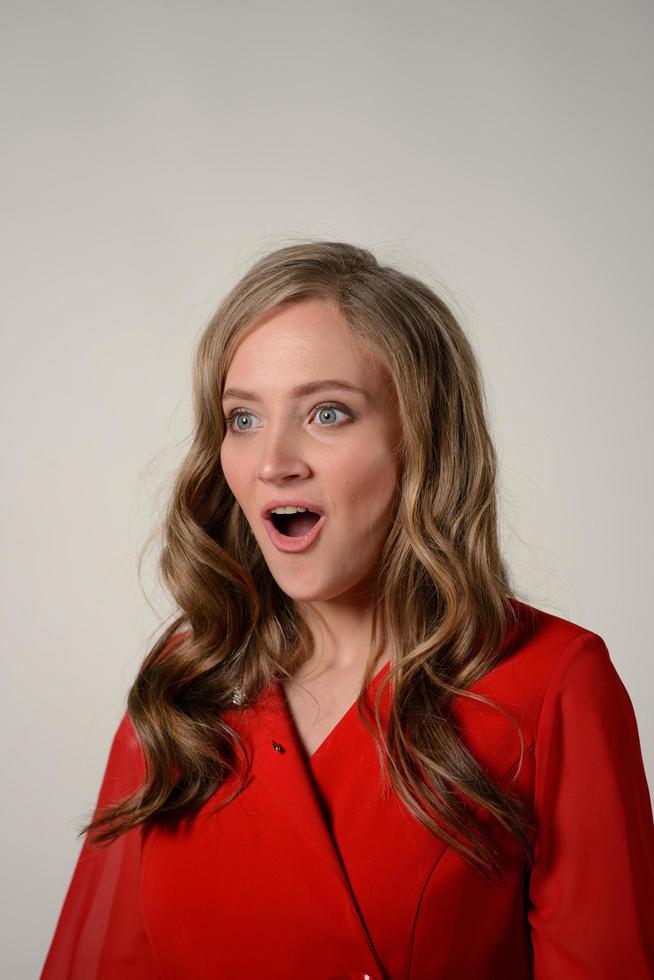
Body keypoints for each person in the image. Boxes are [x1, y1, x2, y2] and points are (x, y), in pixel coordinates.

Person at [41, 241, 654, 979]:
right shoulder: (186, 681)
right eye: (243, 419)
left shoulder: (555, 681)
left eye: (327, 413)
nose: (274, 461)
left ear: (422, 444)